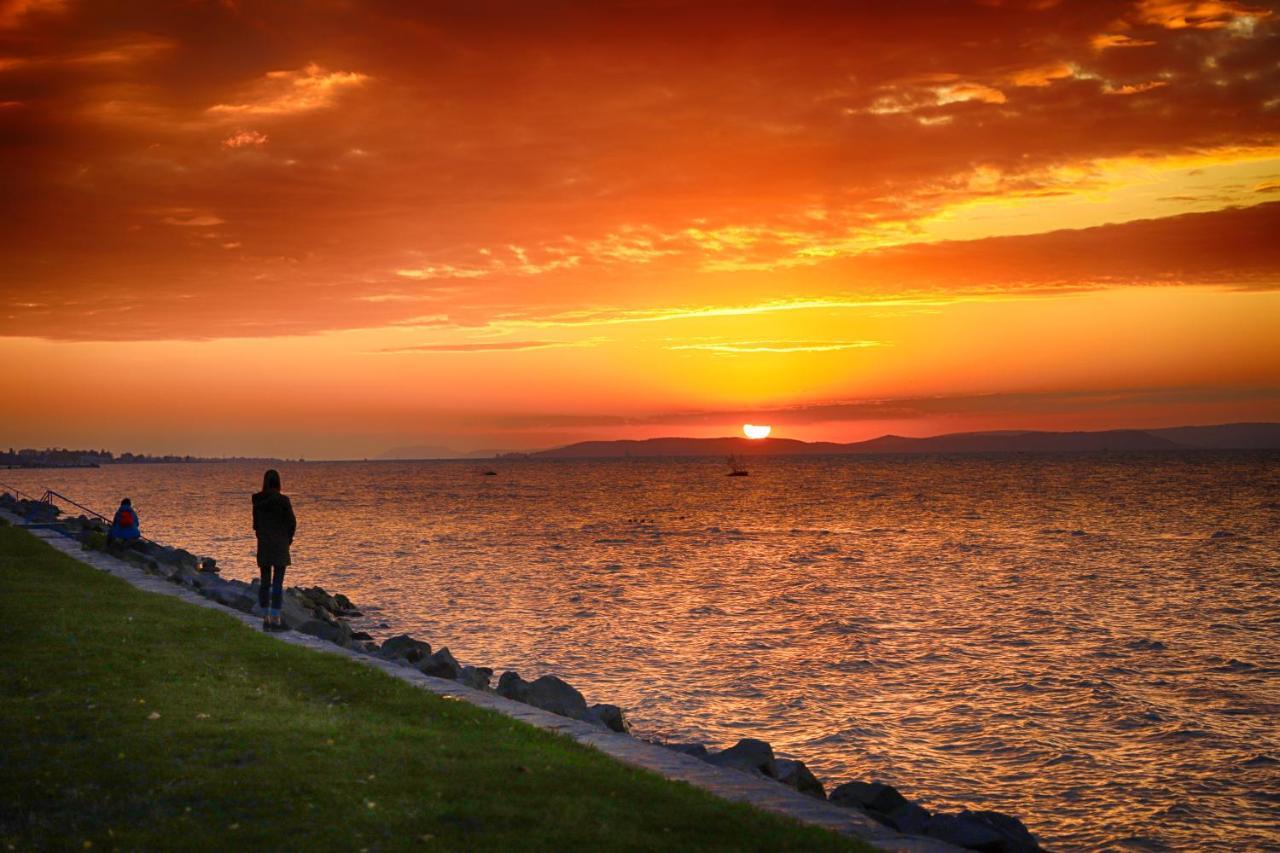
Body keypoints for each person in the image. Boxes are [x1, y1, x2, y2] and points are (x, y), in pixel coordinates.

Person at [252, 469, 296, 632]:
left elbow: (255, 525)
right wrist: (288, 539)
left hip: (264, 545)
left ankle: (266, 618)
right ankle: (276, 618)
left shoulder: (257, 501)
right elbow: (292, 522)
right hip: (280, 545)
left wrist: (263, 536)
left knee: (265, 582)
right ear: (278, 483)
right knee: (277, 582)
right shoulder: (283, 501)